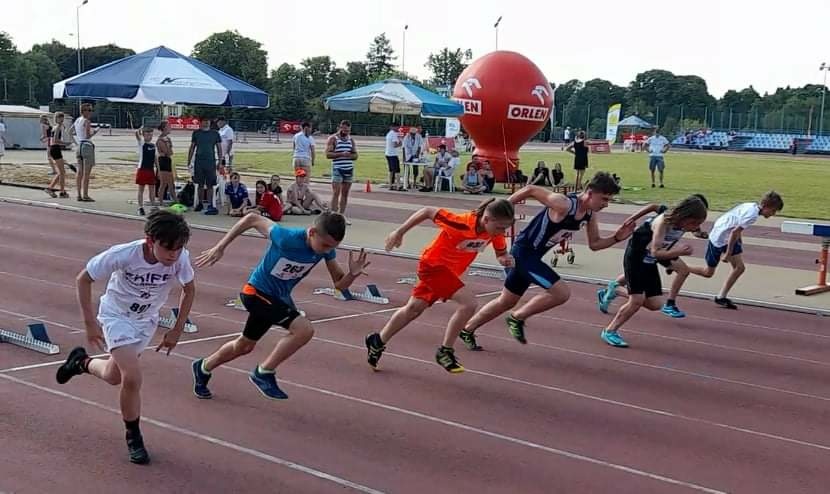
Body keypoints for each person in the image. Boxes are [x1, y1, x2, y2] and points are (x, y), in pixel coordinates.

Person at [56, 210, 195, 464]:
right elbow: (83, 279)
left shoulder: (180, 257)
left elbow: (189, 288)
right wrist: (90, 324)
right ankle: (134, 436)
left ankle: (81, 362)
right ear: (150, 240)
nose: (173, 254)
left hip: (146, 321)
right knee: (132, 377)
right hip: (116, 316)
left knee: (114, 376)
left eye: (178, 248)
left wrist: (177, 329)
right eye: (167, 248)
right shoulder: (124, 254)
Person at [191, 211, 370, 399]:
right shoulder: (285, 237)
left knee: (244, 346)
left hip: (276, 299)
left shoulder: (326, 249)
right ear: (311, 232)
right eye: (325, 245)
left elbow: (339, 285)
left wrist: (353, 274)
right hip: (256, 293)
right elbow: (252, 218)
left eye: (333, 247)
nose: (327, 250)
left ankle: (203, 367)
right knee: (304, 330)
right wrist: (220, 247)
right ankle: (264, 372)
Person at [459, 172, 634, 351]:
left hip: (532, 258)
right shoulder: (564, 204)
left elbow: (595, 244)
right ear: (589, 192)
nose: (605, 205)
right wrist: (503, 209)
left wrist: (617, 238)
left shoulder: (589, 214)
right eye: (603, 199)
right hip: (523, 253)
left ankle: (467, 329)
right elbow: (530, 189)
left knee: (506, 301)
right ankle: (517, 317)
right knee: (561, 293)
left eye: (608, 200)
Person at [365, 199, 516, 373]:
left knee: (413, 309)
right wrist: (399, 232)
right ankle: (445, 352)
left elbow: (501, 253)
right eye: (500, 227)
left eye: (505, 228)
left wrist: (505, 259)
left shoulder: (495, 233)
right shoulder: (461, 223)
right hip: (433, 267)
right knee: (469, 304)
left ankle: (378, 341)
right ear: (487, 219)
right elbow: (428, 211)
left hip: (450, 272)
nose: (502, 232)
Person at [600, 196, 708, 347]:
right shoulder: (662, 223)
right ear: (684, 217)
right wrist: (678, 252)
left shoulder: (685, 223)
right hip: (637, 256)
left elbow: (652, 206)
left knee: (655, 304)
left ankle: (615, 289)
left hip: (650, 260)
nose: (695, 227)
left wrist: (702, 234)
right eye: (694, 223)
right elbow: (655, 252)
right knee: (636, 300)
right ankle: (610, 331)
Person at [690, 191, 784, 309]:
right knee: (708, 272)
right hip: (720, 238)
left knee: (739, 268)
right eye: (773, 211)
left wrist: (738, 242)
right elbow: (735, 231)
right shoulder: (752, 215)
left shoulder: (750, 205)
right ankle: (683, 268)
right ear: (766, 206)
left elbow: (735, 225)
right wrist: (728, 253)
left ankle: (721, 296)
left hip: (723, 232)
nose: (773, 214)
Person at [187, 118, 222, 215]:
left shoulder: (215, 134)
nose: (206, 122)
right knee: (200, 183)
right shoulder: (196, 133)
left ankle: (211, 203)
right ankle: (200, 202)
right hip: (199, 162)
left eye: (208, 121)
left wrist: (220, 161)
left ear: (210, 122)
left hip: (210, 162)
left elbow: (219, 148)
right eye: (204, 121)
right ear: (201, 122)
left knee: (210, 183)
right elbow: (192, 147)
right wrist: (189, 160)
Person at [326, 120, 358, 225]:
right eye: (345, 130)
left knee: (345, 194)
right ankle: (333, 215)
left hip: (348, 169)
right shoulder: (333, 139)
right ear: (340, 128)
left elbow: (355, 155)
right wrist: (341, 154)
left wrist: (350, 155)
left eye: (348, 130)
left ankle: (342, 215)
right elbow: (328, 154)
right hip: (337, 168)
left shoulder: (351, 140)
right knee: (336, 193)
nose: (347, 132)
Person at [73, 103, 100, 202]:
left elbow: (71, 131)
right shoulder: (86, 121)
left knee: (79, 172)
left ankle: (78, 194)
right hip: (87, 146)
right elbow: (88, 136)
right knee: (86, 173)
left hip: (79, 145)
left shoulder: (77, 120)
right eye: (88, 110)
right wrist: (95, 131)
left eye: (90, 110)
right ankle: (85, 194)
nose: (90, 112)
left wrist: (75, 141)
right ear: (83, 111)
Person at [45, 112, 70, 198]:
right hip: (55, 148)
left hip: (54, 149)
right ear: (57, 118)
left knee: (61, 172)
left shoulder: (54, 127)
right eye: (60, 118)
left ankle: (51, 188)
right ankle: (62, 192)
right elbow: (55, 140)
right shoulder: (58, 127)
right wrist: (65, 143)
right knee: (62, 172)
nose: (62, 120)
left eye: (63, 118)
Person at [134, 127, 158, 216]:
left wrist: (158, 169)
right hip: (142, 169)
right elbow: (136, 134)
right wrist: (140, 129)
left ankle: (153, 206)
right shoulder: (142, 143)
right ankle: (140, 207)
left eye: (151, 134)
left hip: (150, 170)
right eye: (147, 134)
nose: (149, 136)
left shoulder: (153, 145)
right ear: (143, 135)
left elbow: (155, 158)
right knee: (141, 189)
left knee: (152, 189)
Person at [155, 121, 175, 205]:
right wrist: (168, 145)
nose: (170, 127)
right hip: (163, 161)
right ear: (164, 128)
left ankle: (175, 200)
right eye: (168, 126)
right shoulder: (160, 140)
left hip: (167, 160)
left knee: (171, 183)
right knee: (163, 183)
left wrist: (168, 145)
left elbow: (171, 152)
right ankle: (161, 202)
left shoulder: (167, 139)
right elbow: (167, 152)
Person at [384, 123, 402, 190]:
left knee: (391, 170)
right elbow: (395, 145)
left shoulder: (389, 134)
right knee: (397, 170)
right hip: (393, 154)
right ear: (394, 127)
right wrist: (400, 143)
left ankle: (390, 185)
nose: (398, 129)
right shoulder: (394, 134)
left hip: (388, 153)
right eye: (397, 127)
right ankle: (398, 185)